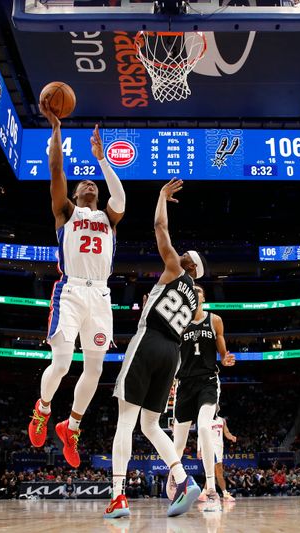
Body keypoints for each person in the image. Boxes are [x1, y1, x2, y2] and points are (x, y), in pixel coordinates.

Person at [28, 97, 126, 469]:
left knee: (97, 368)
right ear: (74, 195)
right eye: (83, 183)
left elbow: (120, 196)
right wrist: (56, 130)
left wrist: (102, 159)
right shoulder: (65, 211)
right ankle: (43, 408)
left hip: (101, 295)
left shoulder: (109, 218)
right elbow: (56, 171)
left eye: (94, 185)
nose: (90, 185)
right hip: (70, 290)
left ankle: (71, 426)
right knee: (64, 361)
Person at [105, 178, 205, 519]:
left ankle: (118, 497)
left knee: (125, 423)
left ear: (187, 263)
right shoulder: (194, 301)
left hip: (149, 342)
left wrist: (161, 196)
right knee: (150, 426)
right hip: (172, 355)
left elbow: (159, 225)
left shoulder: (174, 269)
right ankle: (183, 478)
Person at [170, 285, 235, 511]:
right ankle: (175, 480)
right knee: (177, 443)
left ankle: (210, 489)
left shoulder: (214, 320)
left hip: (208, 380)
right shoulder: (178, 323)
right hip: (184, 384)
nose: (195, 295)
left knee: (205, 428)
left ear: (204, 297)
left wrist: (225, 359)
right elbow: (172, 353)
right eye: (191, 293)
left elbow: (222, 349)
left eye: (199, 292)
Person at [196, 413, 237, 502]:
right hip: (210, 447)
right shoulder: (205, 420)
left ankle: (203, 493)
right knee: (219, 471)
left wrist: (231, 437)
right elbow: (200, 436)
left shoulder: (222, 420)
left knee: (213, 473)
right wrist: (199, 450)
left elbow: (226, 432)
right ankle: (225, 493)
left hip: (219, 448)